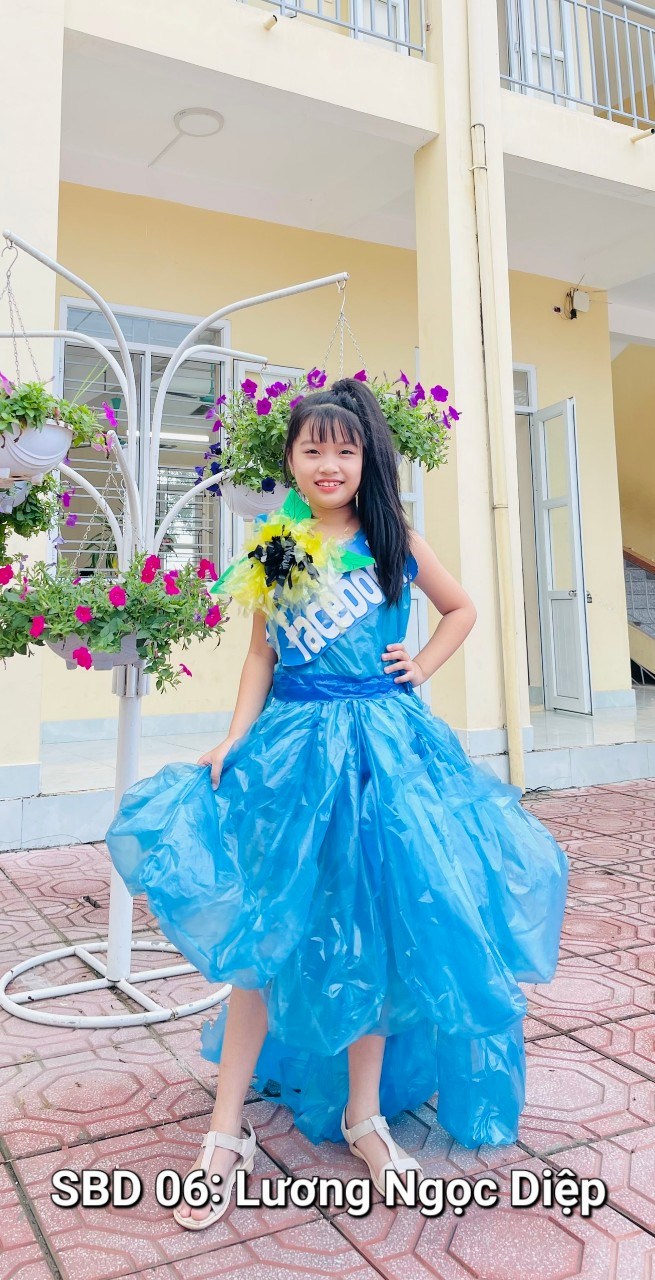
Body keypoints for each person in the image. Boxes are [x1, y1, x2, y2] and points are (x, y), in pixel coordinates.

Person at [105, 376, 569, 1228]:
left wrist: (420, 665)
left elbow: (461, 609)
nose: (328, 463)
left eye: (344, 449)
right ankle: (224, 1130)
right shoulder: (276, 546)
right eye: (312, 448)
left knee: (376, 930)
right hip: (292, 754)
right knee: (266, 930)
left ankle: (365, 1118)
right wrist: (234, 737)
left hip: (385, 755)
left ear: (366, 459)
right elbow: (260, 655)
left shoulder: (393, 539)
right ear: (288, 459)